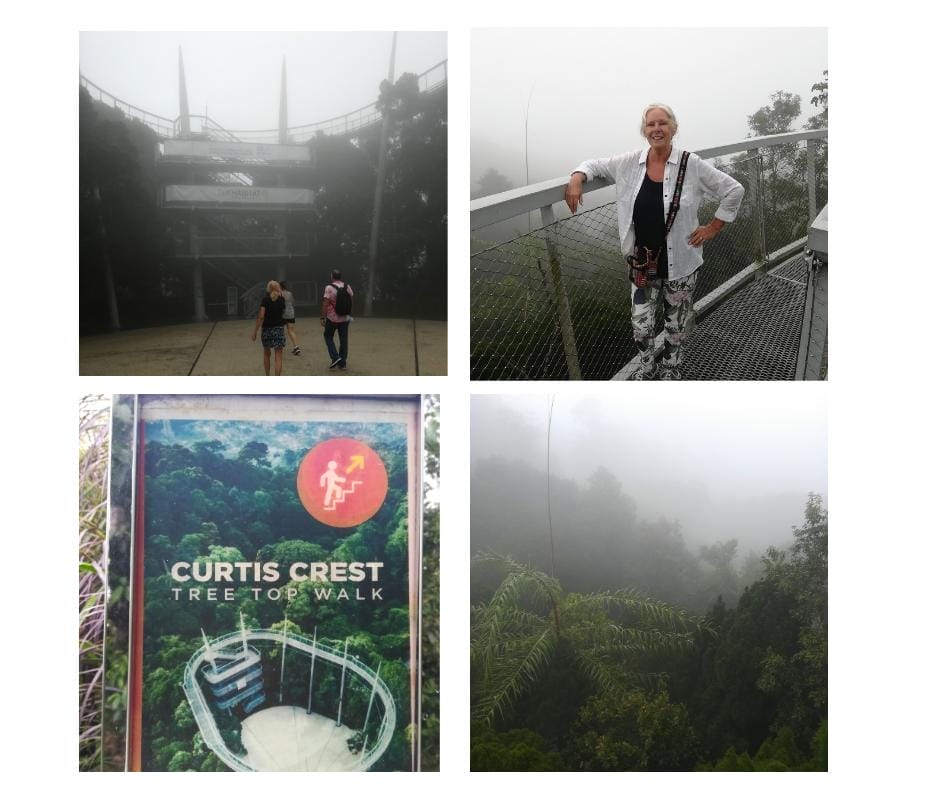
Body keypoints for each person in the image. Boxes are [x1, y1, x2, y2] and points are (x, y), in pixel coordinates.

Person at [565, 104, 745, 381]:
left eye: (663, 123)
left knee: (676, 324)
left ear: (673, 128)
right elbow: (593, 164)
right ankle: (646, 368)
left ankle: (671, 368)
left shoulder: (690, 164)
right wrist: (577, 178)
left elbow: (733, 190)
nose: (657, 129)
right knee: (641, 324)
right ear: (644, 130)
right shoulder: (630, 163)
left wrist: (713, 227)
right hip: (642, 263)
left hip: (681, 262)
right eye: (651, 124)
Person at [251, 280, 287, 376]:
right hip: (279, 329)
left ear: (268, 289)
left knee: (267, 354)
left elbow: (261, 316)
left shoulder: (265, 300)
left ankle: (267, 377)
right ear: (278, 288)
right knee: (278, 357)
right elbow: (283, 313)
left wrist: (255, 331)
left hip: (267, 330)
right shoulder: (282, 300)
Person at [321, 269, 353, 371]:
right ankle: (342, 364)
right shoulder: (347, 286)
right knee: (344, 340)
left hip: (332, 318)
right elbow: (351, 300)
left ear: (332, 276)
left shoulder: (329, 287)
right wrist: (347, 312)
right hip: (344, 318)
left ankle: (335, 357)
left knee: (328, 336)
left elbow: (325, 303)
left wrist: (323, 317)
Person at [279, 280, 301, 355]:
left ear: (280, 286)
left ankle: (279, 347)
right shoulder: (290, 293)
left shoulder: (279, 294)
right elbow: (292, 302)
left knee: (280, 331)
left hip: (282, 315)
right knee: (291, 330)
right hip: (291, 313)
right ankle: (296, 347)